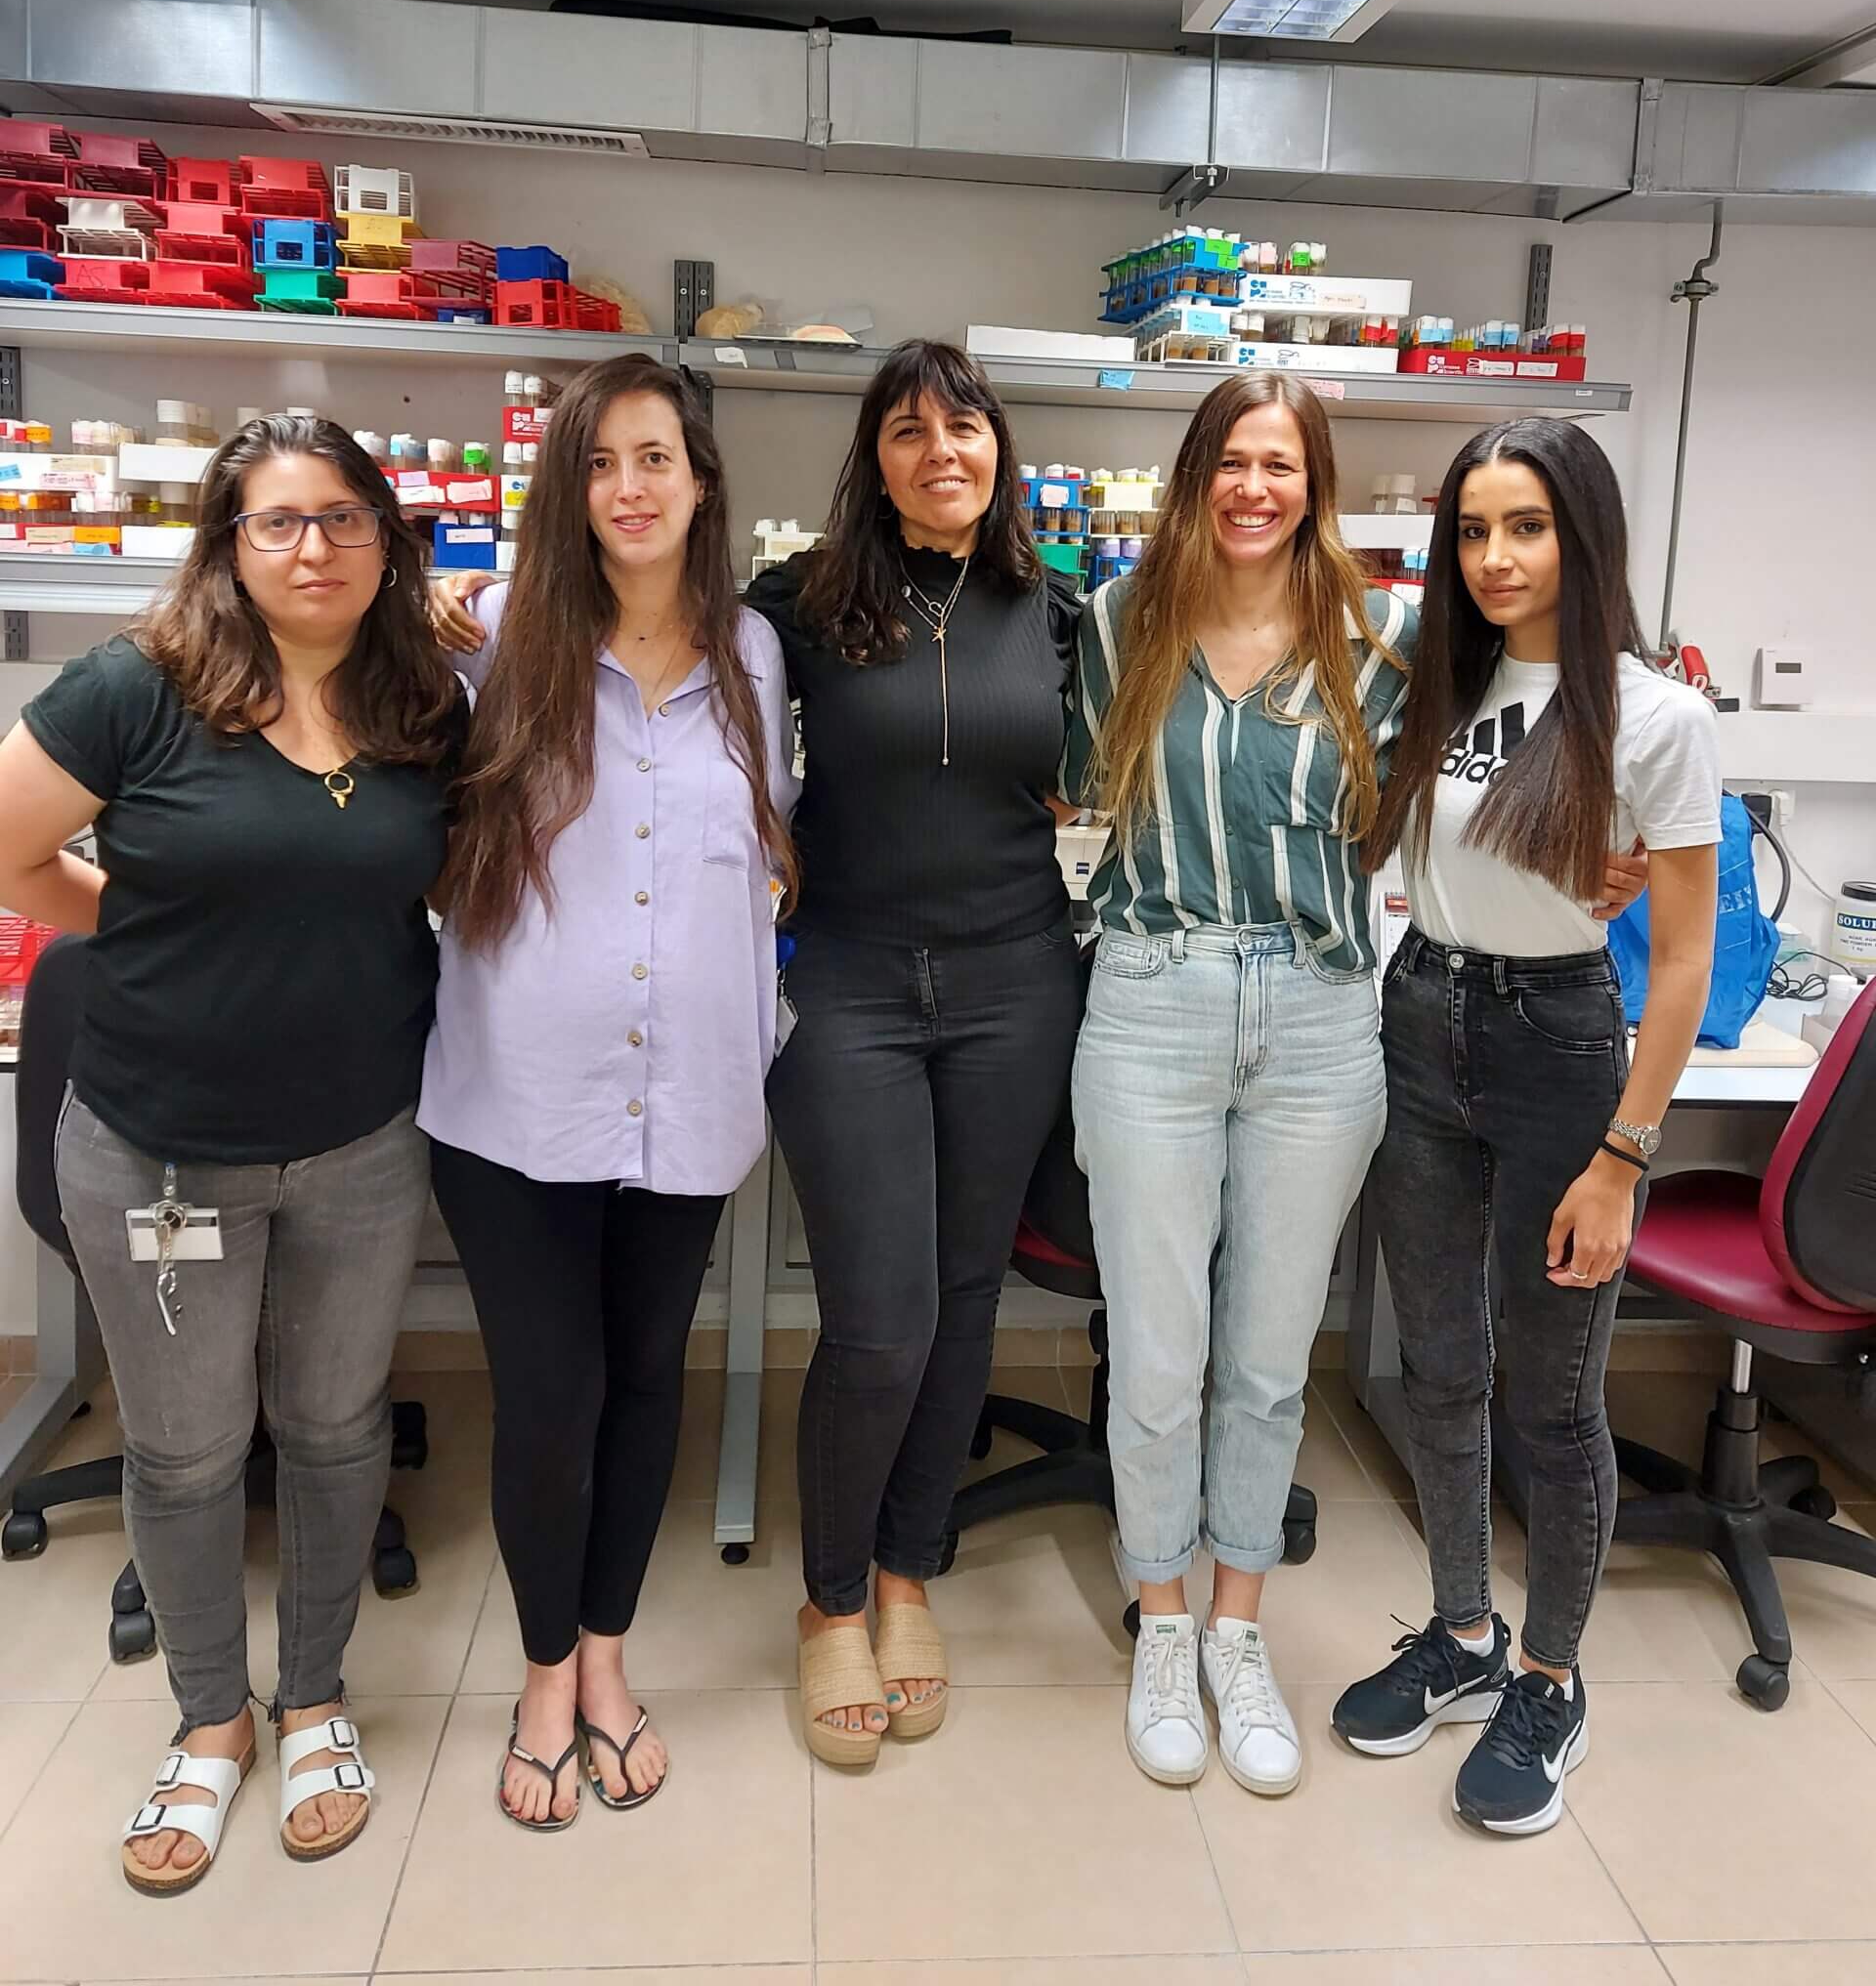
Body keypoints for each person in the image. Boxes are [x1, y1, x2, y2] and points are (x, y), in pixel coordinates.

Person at [1066, 378, 1644, 1801]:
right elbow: (1080, 797)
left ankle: (1239, 1629)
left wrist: (1602, 857)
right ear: (1197, 473)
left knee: (1270, 1360)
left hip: (1326, 1019)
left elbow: (1473, 793)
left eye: (1283, 464)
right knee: (1156, 1356)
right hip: (1153, 997)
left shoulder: (1385, 643)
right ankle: (1159, 1622)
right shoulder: (1116, 622)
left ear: (1315, 486)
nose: (1254, 487)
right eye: (1232, 461)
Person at [0, 414, 463, 1894]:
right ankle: (212, 1720)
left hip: (361, 1145)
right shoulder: (138, 690)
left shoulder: (421, 703)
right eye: (278, 522)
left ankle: (314, 1692)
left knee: (335, 1434)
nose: (313, 547)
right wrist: (126, 932)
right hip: (159, 1156)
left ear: (386, 537)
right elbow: (6, 850)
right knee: (188, 1450)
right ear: (229, 542)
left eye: (342, 518)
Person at [424, 354, 796, 1829]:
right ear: (565, 491)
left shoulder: (757, 659)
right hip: (518, 1097)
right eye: (598, 464)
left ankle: (604, 1654)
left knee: (649, 1380)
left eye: (655, 458)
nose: (629, 489)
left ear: (700, 481)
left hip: (690, 1091)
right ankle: (535, 1670)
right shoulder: (496, 640)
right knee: (550, 1392)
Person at [1332, 418, 1719, 1838]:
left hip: (1561, 1051)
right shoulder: (1436, 680)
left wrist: (1625, 1156)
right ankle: (1460, 1634)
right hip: (1420, 1020)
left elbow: (1675, 961)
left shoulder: (1656, 716)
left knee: (1550, 1403)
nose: (1495, 558)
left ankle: (1549, 1678)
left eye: (1527, 527)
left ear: (1584, 533)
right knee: (1439, 1369)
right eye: (1474, 531)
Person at [744, 339, 1084, 1769]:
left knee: (958, 1300)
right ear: (872, 459)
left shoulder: (1059, 612)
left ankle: (906, 1572)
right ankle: (829, 1603)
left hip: (1017, 982)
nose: (940, 450)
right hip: (853, 988)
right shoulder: (798, 603)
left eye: (965, 426)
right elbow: (637, 670)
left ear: (1000, 448)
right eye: (906, 430)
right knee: (878, 1316)